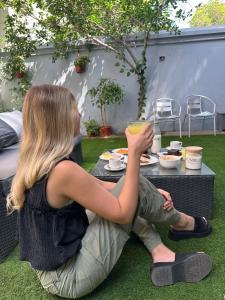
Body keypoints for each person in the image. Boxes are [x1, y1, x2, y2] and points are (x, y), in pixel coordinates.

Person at [7, 85, 212, 299]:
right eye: (73, 108)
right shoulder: (62, 171)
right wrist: (134, 154)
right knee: (131, 192)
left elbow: (99, 186)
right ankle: (182, 223)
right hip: (69, 277)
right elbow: (123, 212)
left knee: (130, 189)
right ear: (59, 119)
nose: (79, 114)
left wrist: (145, 191)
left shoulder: (37, 162)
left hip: (52, 265)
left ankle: (159, 250)